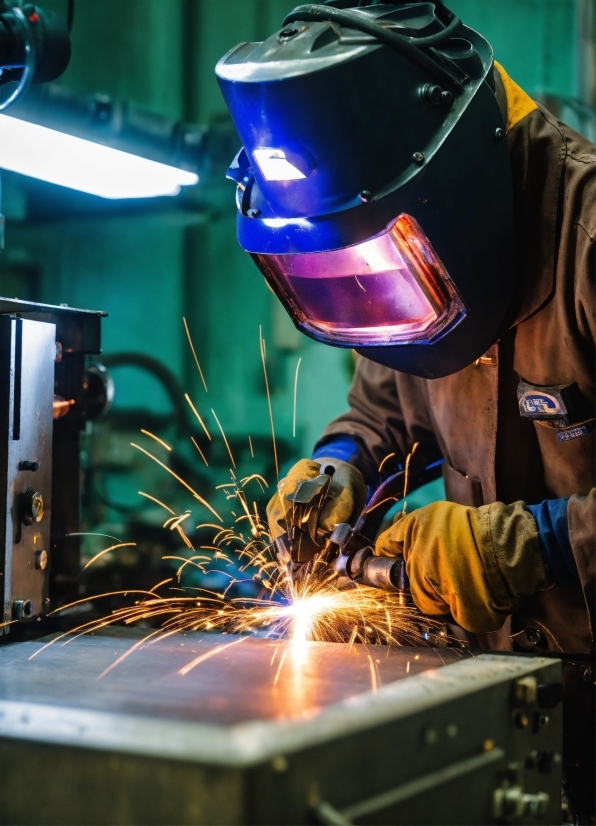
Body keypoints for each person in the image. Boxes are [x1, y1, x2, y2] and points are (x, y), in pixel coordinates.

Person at [216, 3, 595, 819]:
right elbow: (386, 401)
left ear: (452, 185)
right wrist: (342, 462)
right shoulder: (401, 246)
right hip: (505, 699)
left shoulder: (588, 240)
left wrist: (544, 545)